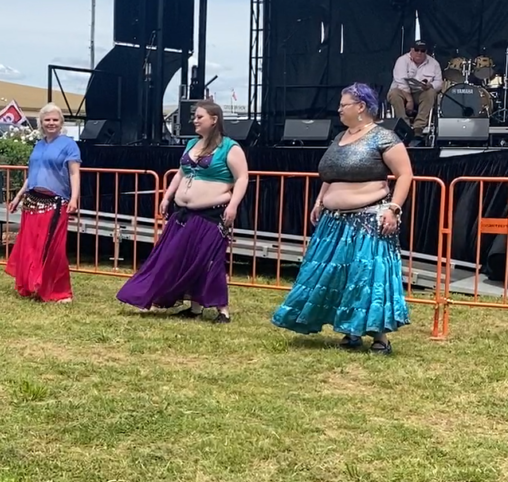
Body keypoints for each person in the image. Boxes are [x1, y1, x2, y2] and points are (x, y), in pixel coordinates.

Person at [273, 83, 412, 355]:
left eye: (343, 104)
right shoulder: (340, 137)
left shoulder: (384, 137)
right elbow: (330, 174)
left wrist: (393, 208)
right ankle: (350, 330)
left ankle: (380, 337)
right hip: (334, 222)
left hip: (367, 221)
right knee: (336, 275)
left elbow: (405, 174)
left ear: (361, 107)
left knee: (366, 277)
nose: (338, 109)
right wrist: (319, 201)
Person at [116, 102, 248, 322]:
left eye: (199, 117)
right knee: (176, 258)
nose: (194, 121)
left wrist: (233, 204)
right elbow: (181, 173)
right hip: (184, 212)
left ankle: (222, 310)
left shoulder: (230, 147)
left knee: (208, 260)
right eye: (194, 117)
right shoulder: (192, 144)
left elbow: (242, 177)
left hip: (210, 214)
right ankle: (194, 308)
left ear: (214, 119)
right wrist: (167, 196)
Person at [5, 103, 80, 303]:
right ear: (41, 123)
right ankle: (32, 285)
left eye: (55, 119)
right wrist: (18, 196)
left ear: (61, 122)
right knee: (30, 247)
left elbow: (74, 173)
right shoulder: (39, 145)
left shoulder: (69, 145)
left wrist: (74, 197)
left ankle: (59, 291)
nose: (51, 123)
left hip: (56, 203)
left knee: (54, 249)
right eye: (47, 120)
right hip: (32, 202)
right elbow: (33, 174)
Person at [387, 40, 442, 146]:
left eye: (422, 50)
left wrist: (430, 85)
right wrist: (409, 100)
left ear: (426, 52)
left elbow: (439, 83)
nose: (419, 53)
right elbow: (401, 82)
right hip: (402, 91)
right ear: (411, 50)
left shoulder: (434, 63)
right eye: (416, 50)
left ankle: (418, 128)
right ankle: (405, 127)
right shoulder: (402, 60)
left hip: (420, 92)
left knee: (431, 93)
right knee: (394, 94)